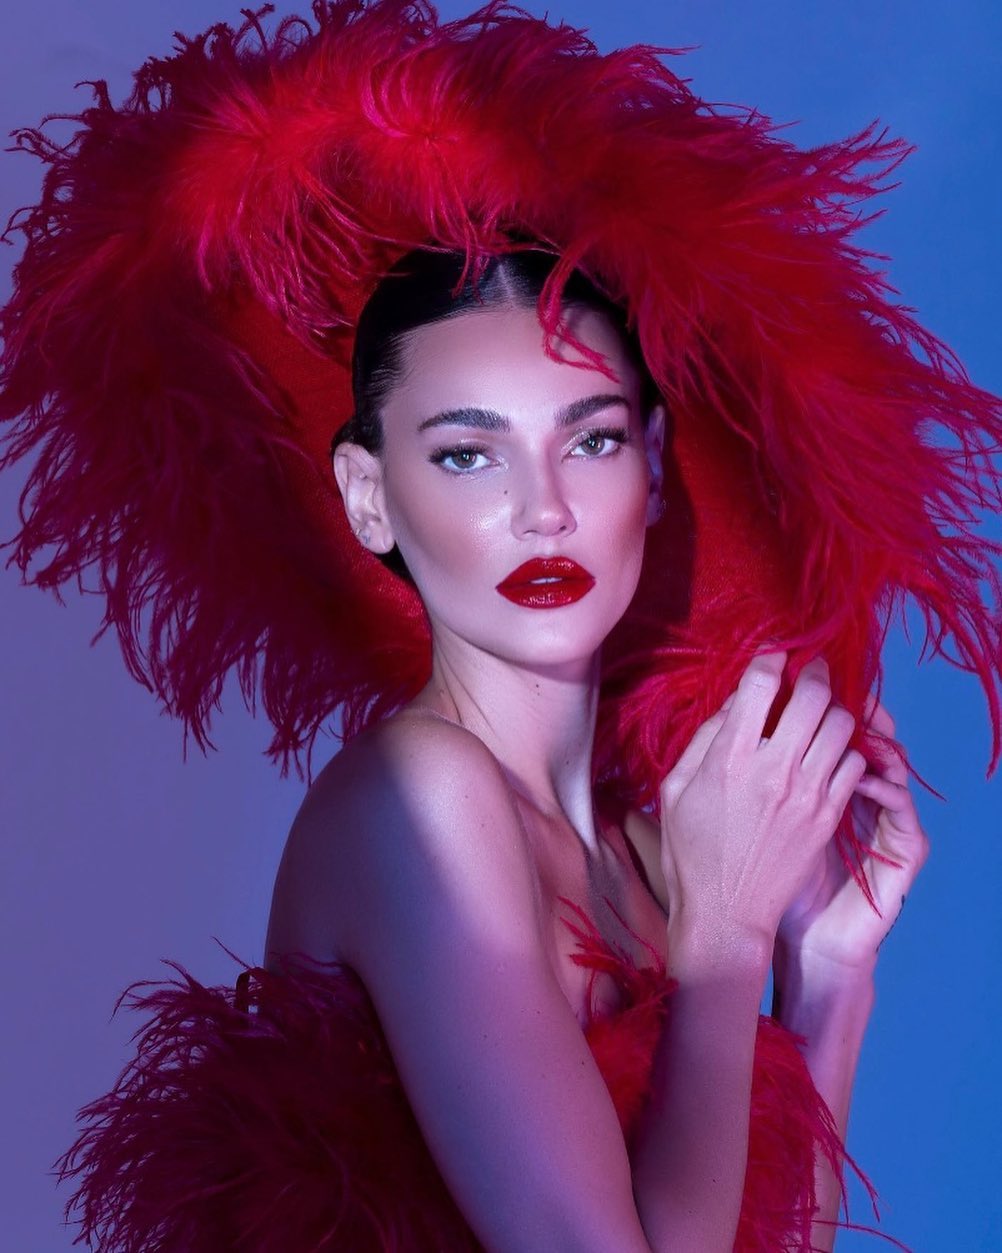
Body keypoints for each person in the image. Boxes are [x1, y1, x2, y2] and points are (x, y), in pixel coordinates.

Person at [2, 2, 999, 1250]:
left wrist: (832, 967)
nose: (543, 509)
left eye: (591, 439)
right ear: (369, 494)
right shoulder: (420, 797)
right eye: (466, 454)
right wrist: (729, 938)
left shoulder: (650, 861)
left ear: (653, 465)